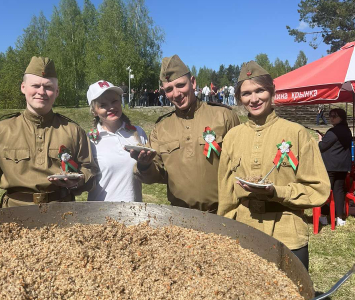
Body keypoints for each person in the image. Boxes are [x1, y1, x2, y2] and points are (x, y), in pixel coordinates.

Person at [217, 61, 330, 270]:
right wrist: (225, 230)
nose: (254, 99)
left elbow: (319, 189)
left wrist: (277, 192)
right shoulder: (232, 137)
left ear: (272, 91)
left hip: (288, 234)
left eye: (260, 90)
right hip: (245, 231)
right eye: (247, 93)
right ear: (239, 99)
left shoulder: (297, 133)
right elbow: (226, 195)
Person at [0, 56, 98, 212]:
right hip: (12, 215)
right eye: (35, 85)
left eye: (48, 87)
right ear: (23, 87)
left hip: (63, 214)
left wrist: (78, 180)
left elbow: (90, 171)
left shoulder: (73, 131)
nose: (41, 92)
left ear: (57, 91)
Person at [131, 54, 240, 212]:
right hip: (181, 217)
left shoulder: (224, 116)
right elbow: (154, 175)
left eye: (180, 85)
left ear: (193, 82)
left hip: (223, 214)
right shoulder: (161, 129)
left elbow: (242, 163)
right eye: (169, 89)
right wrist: (144, 164)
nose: (176, 94)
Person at [86, 80, 148, 202]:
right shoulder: (89, 140)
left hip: (134, 213)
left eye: (114, 101)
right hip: (100, 214)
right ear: (94, 111)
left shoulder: (138, 133)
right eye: (103, 105)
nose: (111, 107)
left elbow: (150, 172)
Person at [318, 108, 352, 226]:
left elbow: (321, 146)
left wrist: (320, 139)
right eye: (330, 115)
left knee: (326, 191)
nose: (331, 118)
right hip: (342, 167)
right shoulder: (347, 130)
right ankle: (339, 218)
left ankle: (323, 216)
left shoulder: (333, 131)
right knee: (338, 191)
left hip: (330, 166)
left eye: (334, 116)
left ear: (341, 117)